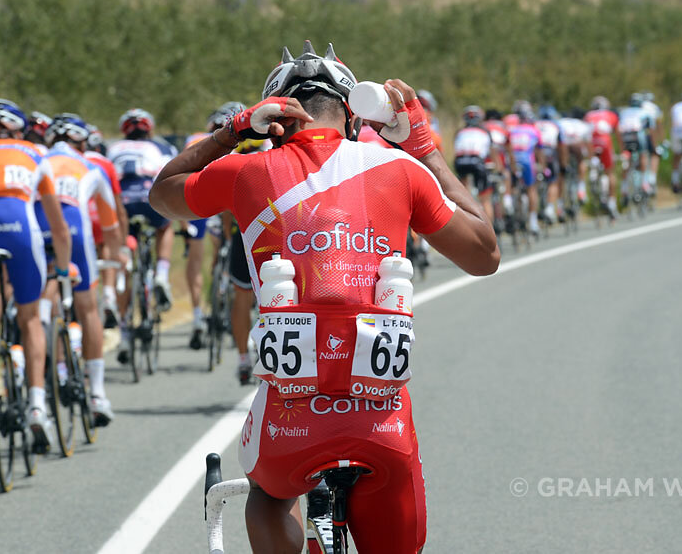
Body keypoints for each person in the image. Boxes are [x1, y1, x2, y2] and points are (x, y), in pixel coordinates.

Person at [149, 41, 499, 553]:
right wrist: (423, 146)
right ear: (354, 118)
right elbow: (484, 254)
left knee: (267, 498)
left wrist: (233, 131)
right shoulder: (402, 171)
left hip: (291, 420)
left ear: (276, 121)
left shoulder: (247, 170)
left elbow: (164, 193)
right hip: (382, 418)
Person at [0, 99, 72, 453]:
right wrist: (62, 269)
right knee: (31, 321)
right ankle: (38, 404)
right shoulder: (35, 154)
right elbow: (58, 225)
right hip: (20, 230)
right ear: (16, 131)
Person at [37, 114, 124, 425]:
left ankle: (44, 368)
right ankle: (98, 394)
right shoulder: (91, 166)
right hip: (73, 228)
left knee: (37, 302)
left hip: (36, 226)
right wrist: (115, 257)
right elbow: (111, 227)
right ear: (82, 143)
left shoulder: (37, 158)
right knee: (88, 308)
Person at [106, 109, 177, 363]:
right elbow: (173, 173)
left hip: (122, 203)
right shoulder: (160, 147)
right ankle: (161, 275)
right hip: (149, 198)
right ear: (150, 129)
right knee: (165, 225)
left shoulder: (112, 147)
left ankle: (124, 335)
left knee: (125, 260)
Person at [182, 102, 244, 350]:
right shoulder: (249, 139)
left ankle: (203, 309)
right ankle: (228, 282)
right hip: (230, 201)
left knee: (204, 257)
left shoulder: (198, 137)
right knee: (231, 246)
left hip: (198, 197)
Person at [82, 123, 130, 329]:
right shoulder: (105, 164)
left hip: (78, 216)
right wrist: (122, 242)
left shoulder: (71, 160)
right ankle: (109, 294)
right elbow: (117, 207)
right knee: (107, 247)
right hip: (100, 216)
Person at [453, 106, 498, 229]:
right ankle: (490, 231)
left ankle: (464, 224)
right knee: (485, 199)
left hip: (460, 161)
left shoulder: (459, 132)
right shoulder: (485, 131)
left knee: (463, 195)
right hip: (478, 161)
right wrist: (499, 169)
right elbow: (492, 153)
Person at [507, 101, 542, 234]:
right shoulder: (534, 130)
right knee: (531, 189)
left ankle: (510, 202)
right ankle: (533, 222)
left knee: (512, 184)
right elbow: (539, 151)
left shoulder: (512, 130)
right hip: (527, 161)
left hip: (514, 161)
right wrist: (542, 167)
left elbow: (507, 148)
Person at [584, 96, 620, 219]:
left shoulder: (588, 115)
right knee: (610, 172)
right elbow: (617, 134)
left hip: (591, 143)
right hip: (605, 142)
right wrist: (621, 149)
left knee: (593, 161)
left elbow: (585, 133)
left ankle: (593, 175)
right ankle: (612, 202)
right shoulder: (611, 115)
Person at [616, 94, 651, 202]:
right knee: (643, 155)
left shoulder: (623, 112)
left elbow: (618, 128)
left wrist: (622, 149)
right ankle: (644, 183)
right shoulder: (644, 112)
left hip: (625, 136)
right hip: (637, 135)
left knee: (627, 161)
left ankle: (624, 188)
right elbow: (650, 129)